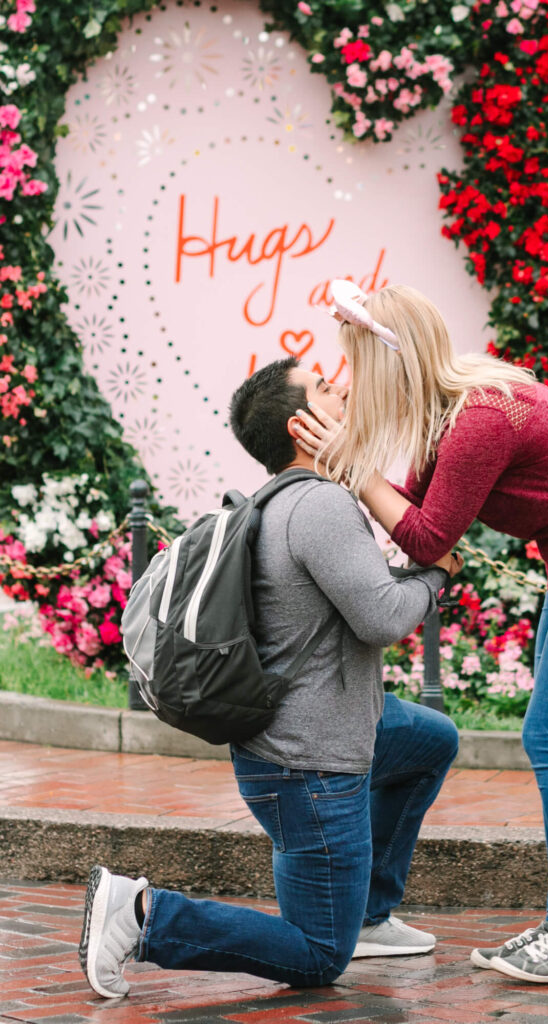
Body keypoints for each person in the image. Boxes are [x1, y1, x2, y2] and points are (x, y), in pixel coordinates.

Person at [292, 280, 548, 984]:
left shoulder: (481, 416)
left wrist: (353, 472)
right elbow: (415, 514)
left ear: (390, 362)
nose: (347, 380)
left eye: (353, 360)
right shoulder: (447, 413)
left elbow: (426, 537)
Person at [79, 355, 461, 999]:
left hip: (326, 728)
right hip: (310, 764)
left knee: (431, 740)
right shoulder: (318, 506)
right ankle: (144, 915)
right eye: (323, 387)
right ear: (300, 425)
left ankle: (366, 913)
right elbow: (382, 617)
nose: (341, 386)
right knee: (316, 957)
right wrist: (437, 573)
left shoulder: (282, 501)